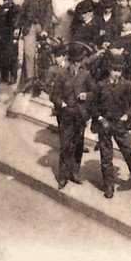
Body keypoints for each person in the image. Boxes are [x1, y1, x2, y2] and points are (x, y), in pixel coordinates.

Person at [92, 59, 131, 199]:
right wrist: (101, 119)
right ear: (109, 70)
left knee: (130, 152)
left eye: (119, 71)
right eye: (114, 70)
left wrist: (126, 116)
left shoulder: (126, 85)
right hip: (105, 125)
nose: (116, 73)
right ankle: (108, 185)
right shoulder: (100, 85)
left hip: (120, 125)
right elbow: (93, 106)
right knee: (106, 156)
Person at [51, 46, 95, 189]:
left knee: (78, 144)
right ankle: (62, 176)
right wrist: (61, 104)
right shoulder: (62, 74)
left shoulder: (86, 75)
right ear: (69, 61)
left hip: (80, 114)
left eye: (78, 61)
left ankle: (74, 172)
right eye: (74, 61)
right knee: (65, 145)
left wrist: (86, 95)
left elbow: (94, 92)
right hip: (66, 114)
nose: (76, 64)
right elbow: (54, 95)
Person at [0, 0, 21, 85]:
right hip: (3, 35)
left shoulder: (16, 9)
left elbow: (18, 22)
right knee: (2, 55)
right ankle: (4, 76)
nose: (6, 1)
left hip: (12, 35)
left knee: (12, 56)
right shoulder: (0, 8)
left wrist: (17, 31)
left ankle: (13, 76)